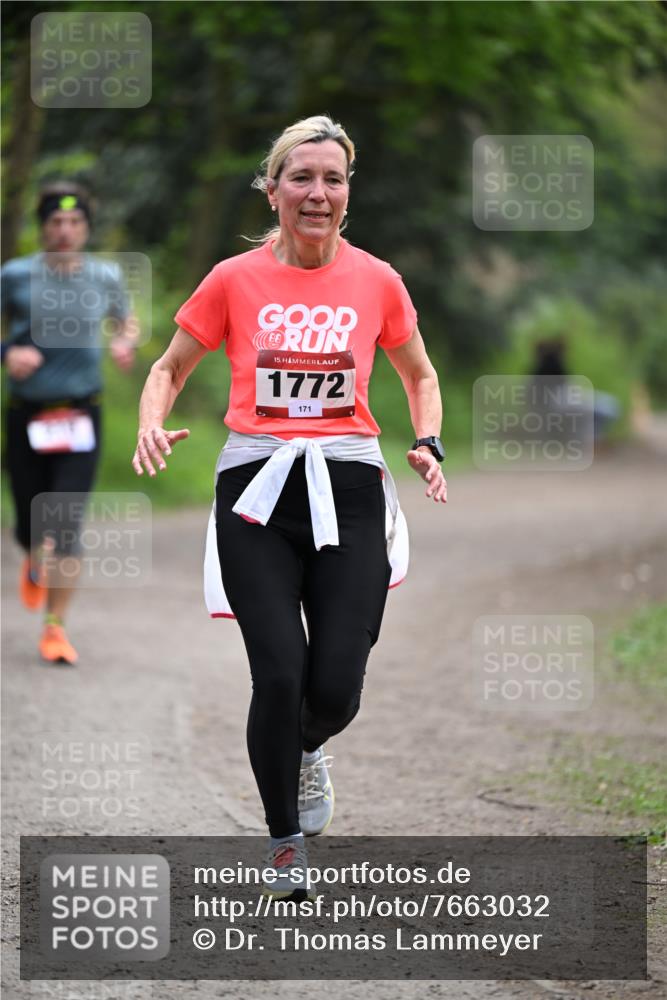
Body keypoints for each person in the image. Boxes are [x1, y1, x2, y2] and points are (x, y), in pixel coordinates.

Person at [132, 115, 446, 899]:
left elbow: (419, 375)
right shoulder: (232, 279)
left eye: (331, 179)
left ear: (347, 193)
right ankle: (282, 841)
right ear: (271, 190)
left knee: (334, 684)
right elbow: (169, 368)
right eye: (299, 177)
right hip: (256, 491)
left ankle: (304, 749)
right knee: (277, 674)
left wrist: (428, 441)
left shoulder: (377, 279)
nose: (316, 192)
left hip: (347, 484)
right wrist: (146, 420)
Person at [1, 181, 137, 665]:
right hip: (26, 415)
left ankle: (55, 628)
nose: (64, 230)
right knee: (27, 526)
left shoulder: (104, 276)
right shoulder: (15, 276)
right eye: (56, 222)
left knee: (65, 522)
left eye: (74, 222)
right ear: (43, 228)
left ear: (86, 228)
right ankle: (34, 554)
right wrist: (7, 352)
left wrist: (125, 342)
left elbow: (126, 321)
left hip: (82, 413)